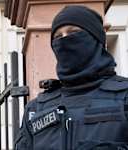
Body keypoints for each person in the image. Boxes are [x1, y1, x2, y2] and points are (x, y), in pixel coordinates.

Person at [15, 5, 128, 150]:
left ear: (96, 38)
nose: (64, 40)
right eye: (57, 37)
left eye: (73, 32)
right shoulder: (36, 108)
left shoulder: (124, 96)